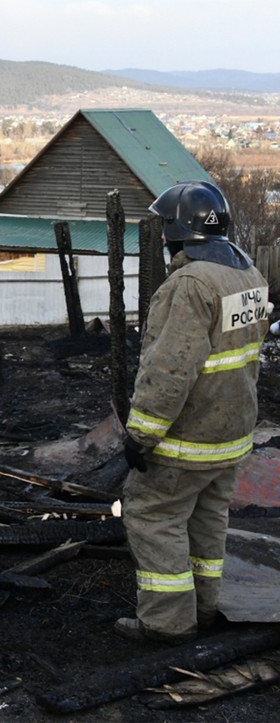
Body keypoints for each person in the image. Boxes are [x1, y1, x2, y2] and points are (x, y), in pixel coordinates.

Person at [116, 180, 271, 644]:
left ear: (180, 230)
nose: (163, 237)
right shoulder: (250, 276)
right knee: (207, 521)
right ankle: (203, 609)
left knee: (152, 516)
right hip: (233, 436)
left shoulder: (188, 285)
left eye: (166, 226)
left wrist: (140, 436)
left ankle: (166, 623)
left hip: (186, 440)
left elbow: (168, 372)